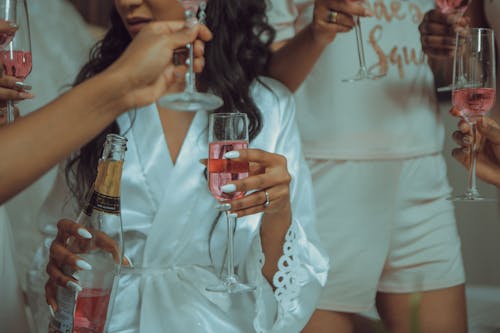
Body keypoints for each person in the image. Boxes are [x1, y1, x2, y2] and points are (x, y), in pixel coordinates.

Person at [33, 0, 328, 332]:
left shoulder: (270, 108)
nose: (127, 2)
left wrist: (277, 212)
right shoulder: (98, 102)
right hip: (113, 320)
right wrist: (62, 260)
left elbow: (287, 286)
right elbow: (56, 238)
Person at [266, 0, 468, 332]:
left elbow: (444, 79)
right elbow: (269, 88)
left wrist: (444, 52)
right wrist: (317, 33)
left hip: (422, 171)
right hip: (326, 178)